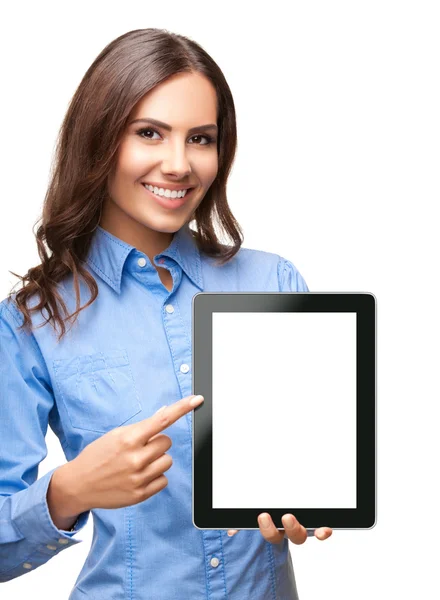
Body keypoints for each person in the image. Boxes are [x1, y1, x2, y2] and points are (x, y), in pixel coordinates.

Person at [0, 28, 332, 599]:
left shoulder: (273, 283)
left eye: (200, 138)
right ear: (99, 140)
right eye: (149, 133)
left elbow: (313, 461)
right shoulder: (31, 322)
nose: (178, 164)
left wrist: (313, 494)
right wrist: (69, 489)